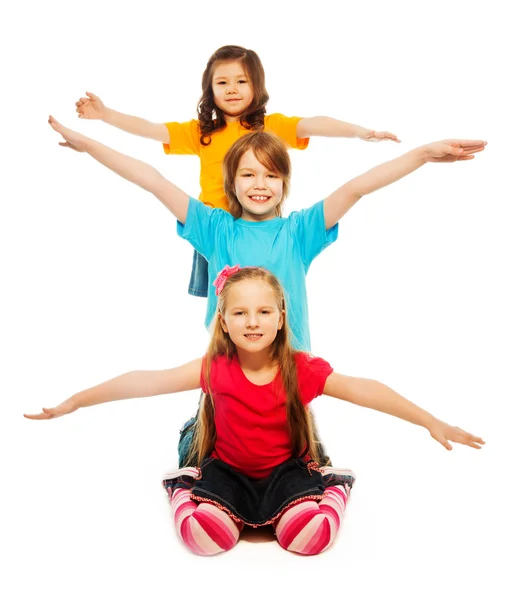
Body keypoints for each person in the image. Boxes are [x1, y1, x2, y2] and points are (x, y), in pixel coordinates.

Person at [48, 116, 487, 464]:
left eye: (272, 175)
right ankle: (201, 449)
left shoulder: (300, 232)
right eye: (249, 174)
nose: (260, 184)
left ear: (284, 184)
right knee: (215, 450)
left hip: (289, 375)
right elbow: (153, 180)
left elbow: (357, 187)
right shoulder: (215, 229)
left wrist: (423, 155)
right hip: (230, 371)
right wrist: (89, 146)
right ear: (231, 184)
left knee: (295, 457)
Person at [24, 267, 485, 556]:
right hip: (228, 469)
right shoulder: (215, 368)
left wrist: (430, 420)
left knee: (309, 541)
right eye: (240, 313)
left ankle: (333, 486)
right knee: (205, 542)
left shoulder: (299, 369)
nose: (252, 322)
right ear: (223, 320)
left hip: (285, 470)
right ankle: (183, 487)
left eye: (264, 312)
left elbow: (364, 389)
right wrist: (74, 402)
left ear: (281, 317)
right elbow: (145, 381)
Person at [74, 44, 400, 297]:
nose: (232, 89)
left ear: (256, 86)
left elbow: (314, 123)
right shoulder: (201, 131)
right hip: (216, 231)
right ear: (210, 89)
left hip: (259, 227)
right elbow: (150, 128)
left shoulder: (269, 126)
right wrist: (106, 115)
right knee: (225, 304)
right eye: (223, 82)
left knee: (264, 293)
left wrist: (359, 131)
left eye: (241, 81)